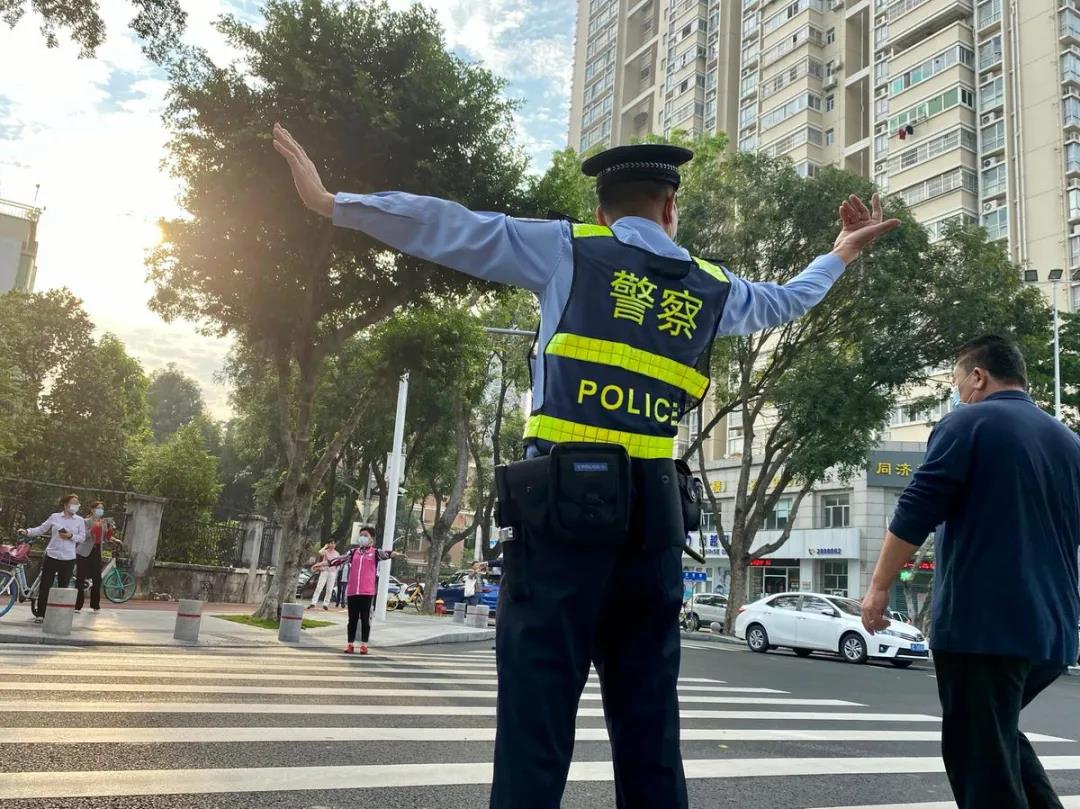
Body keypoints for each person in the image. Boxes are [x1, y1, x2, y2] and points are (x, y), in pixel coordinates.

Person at [273, 124, 897, 808]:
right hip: (652, 537)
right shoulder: (713, 289)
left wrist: (334, 203)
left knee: (534, 737)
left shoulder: (568, 248)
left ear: (601, 211)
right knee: (650, 735)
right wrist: (841, 250)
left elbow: (450, 226)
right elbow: (789, 297)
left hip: (558, 534)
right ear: (670, 208)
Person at [862, 335, 1080, 809]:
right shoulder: (1069, 441)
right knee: (996, 738)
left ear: (978, 376)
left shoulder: (969, 422)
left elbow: (916, 509)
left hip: (984, 628)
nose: (958, 391)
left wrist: (878, 588)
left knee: (980, 763)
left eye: (957, 381)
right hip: (1053, 634)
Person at [329, 525, 401, 655]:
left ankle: (364, 645)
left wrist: (394, 554)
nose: (362, 537)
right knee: (352, 619)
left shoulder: (375, 553)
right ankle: (350, 644)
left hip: (367, 592)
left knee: (365, 619)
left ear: (371, 538)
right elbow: (339, 560)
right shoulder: (353, 552)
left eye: (365, 535)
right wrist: (324, 564)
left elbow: (386, 554)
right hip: (353, 591)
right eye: (361, 535)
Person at [18, 494, 87, 623]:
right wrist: (27, 531)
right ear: (65, 505)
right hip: (52, 555)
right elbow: (41, 529)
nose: (76, 505)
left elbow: (82, 538)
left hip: (68, 558)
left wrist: (70, 536)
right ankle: (41, 614)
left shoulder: (80, 520)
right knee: (45, 585)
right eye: (73, 502)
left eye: (77, 503)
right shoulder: (55, 517)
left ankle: (57, 615)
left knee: (62, 587)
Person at [75, 501, 124, 612]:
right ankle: (77, 605)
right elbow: (82, 536)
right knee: (80, 578)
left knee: (97, 578)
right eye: (98, 508)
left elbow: (106, 538)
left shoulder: (103, 523)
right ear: (92, 510)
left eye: (102, 508)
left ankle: (95, 604)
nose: (100, 510)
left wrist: (111, 531)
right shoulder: (85, 521)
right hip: (84, 552)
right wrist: (94, 527)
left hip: (97, 551)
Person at [307, 539, 339, 611]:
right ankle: (313, 603)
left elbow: (338, 564)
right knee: (319, 587)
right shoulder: (325, 551)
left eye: (334, 543)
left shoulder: (337, 553)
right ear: (328, 544)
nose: (332, 545)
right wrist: (325, 547)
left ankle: (325, 604)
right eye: (331, 543)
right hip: (324, 571)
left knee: (329, 589)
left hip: (332, 572)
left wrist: (336, 574)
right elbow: (320, 552)